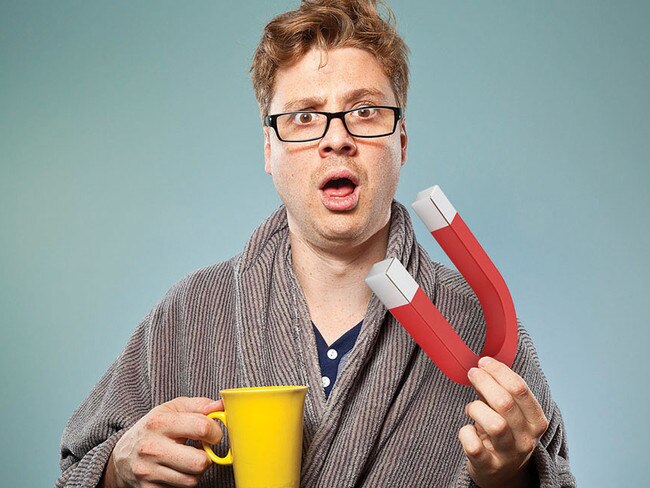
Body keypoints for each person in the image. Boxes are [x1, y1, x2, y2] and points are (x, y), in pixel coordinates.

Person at [58, 1, 576, 487]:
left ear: (402, 142)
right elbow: (73, 471)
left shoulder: (483, 330)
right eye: (304, 116)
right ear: (269, 149)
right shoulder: (186, 315)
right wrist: (116, 469)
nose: (336, 138)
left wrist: (511, 478)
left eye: (366, 111)